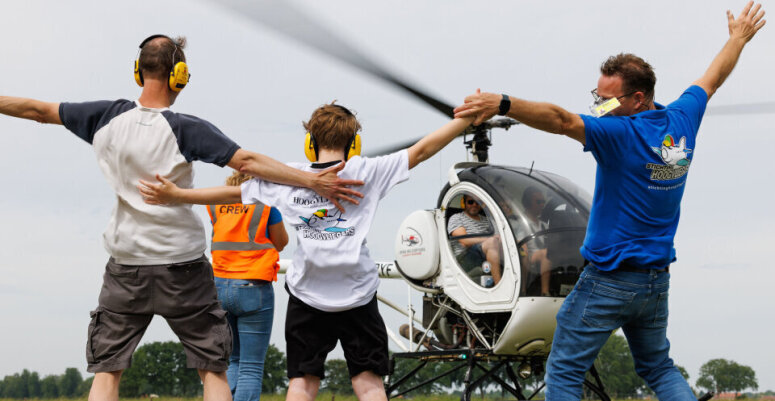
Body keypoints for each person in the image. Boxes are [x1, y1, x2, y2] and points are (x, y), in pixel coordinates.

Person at [0, 34, 362, 401]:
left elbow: (37, 110)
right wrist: (310, 179)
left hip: (125, 267)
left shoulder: (104, 118)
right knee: (213, 369)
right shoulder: (186, 127)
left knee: (107, 372)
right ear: (180, 76)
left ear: (138, 73)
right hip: (184, 269)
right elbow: (247, 163)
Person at [453, 3, 765, 399]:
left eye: (607, 99)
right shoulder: (683, 119)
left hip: (610, 279)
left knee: (564, 369)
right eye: (595, 96)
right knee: (658, 368)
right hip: (655, 282)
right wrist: (737, 39)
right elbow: (712, 78)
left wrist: (503, 103)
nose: (598, 106)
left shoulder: (619, 135)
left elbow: (562, 120)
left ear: (637, 98)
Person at [139, 102, 473, 401]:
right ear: (353, 144)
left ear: (310, 143)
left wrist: (177, 196)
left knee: (302, 382)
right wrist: (467, 119)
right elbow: (424, 149)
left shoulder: (289, 178)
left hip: (307, 296)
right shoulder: (366, 172)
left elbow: (230, 194)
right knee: (369, 382)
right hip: (358, 295)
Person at [209, 171, 288, 401]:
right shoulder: (265, 205)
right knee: (251, 366)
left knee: (232, 361)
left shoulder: (216, 205)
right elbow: (281, 242)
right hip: (253, 286)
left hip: (219, 288)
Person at [447, 194, 503, 285]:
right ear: (464, 203)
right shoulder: (456, 218)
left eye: (477, 202)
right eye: (470, 202)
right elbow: (464, 241)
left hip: (485, 252)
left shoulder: (487, 220)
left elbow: (499, 238)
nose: (474, 205)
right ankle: (499, 286)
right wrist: (488, 238)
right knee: (492, 242)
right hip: (464, 258)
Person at [518, 187, 552, 296]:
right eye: (538, 202)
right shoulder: (520, 223)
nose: (542, 205)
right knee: (547, 253)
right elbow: (521, 245)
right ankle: (545, 292)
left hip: (544, 254)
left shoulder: (544, 225)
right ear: (527, 203)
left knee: (550, 252)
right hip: (528, 256)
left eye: (543, 202)